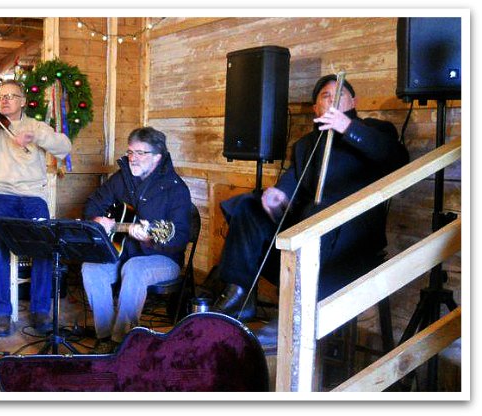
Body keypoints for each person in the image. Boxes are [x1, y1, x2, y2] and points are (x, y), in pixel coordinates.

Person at [213, 74, 409, 321]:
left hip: (350, 243)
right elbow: (292, 180)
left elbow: (396, 159)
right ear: (316, 109)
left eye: (339, 95)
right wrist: (278, 194)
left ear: (354, 102)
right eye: (325, 97)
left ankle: (295, 319)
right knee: (248, 206)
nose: (332, 101)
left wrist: (347, 127)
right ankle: (239, 291)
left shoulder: (375, 130)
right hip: (304, 238)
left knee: (317, 217)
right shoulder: (306, 145)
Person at [0, 79, 72, 337]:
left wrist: (37, 136)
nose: (6, 100)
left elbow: (64, 147)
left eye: (12, 96)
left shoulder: (35, 126)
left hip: (33, 196)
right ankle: (1, 313)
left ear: (23, 101)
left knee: (45, 244)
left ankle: (41, 309)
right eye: (2, 96)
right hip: (0, 195)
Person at [81, 127, 192, 354]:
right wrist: (98, 219)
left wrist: (150, 238)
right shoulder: (121, 178)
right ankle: (104, 336)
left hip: (161, 258)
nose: (133, 158)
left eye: (141, 153)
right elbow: (93, 204)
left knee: (135, 268)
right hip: (122, 250)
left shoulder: (176, 189)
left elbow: (179, 237)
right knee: (91, 267)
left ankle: (120, 342)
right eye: (131, 152)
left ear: (157, 157)